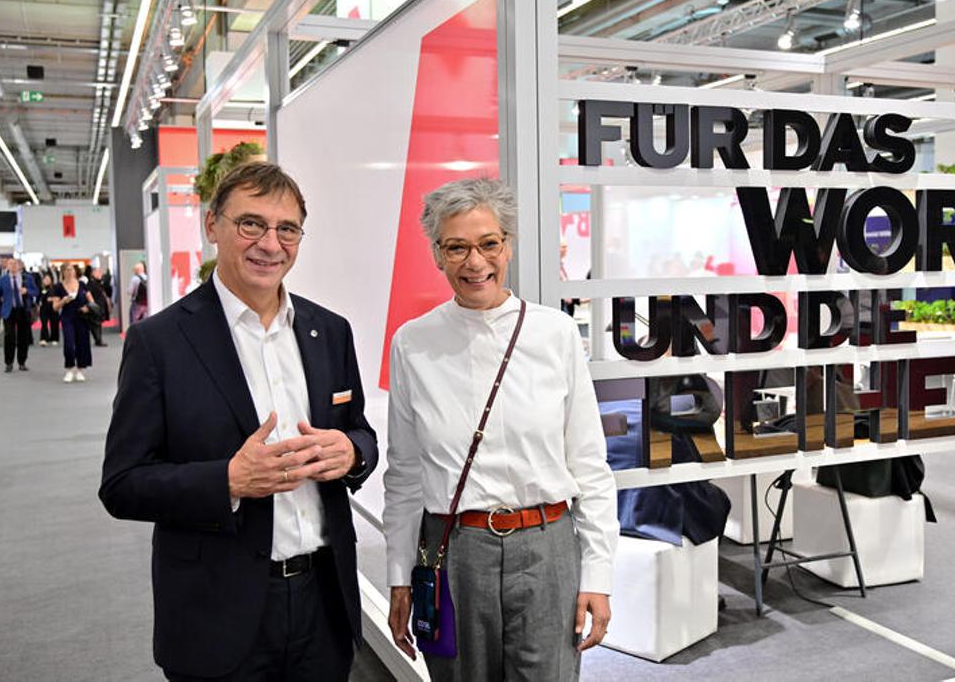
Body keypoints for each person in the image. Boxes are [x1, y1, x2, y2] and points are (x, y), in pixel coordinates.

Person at [100, 162, 378, 681]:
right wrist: (226, 481)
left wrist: (352, 452)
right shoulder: (160, 343)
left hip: (323, 605)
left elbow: (360, 432)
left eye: (286, 229)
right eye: (251, 224)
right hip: (217, 612)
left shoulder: (329, 331)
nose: (270, 244)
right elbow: (121, 484)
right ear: (213, 226)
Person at [383, 178, 619, 681]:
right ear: (437, 255)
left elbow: (589, 464)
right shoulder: (413, 344)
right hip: (454, 551)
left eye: (489, 243)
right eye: (457, 247)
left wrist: (598, 574)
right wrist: (399, 576)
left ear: (508, 246)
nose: (475, 262)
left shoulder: (553, 333)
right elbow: (403, 474)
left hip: (548, 544)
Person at [0, 257, 37, 373]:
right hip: (9, 311)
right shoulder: (3, 279)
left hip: (23, 310)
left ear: (19, 265)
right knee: (9, 337)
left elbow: (36, 291)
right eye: (10, 264)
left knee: (23, 338)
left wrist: (27, 291)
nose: (13, 266)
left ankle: (22, 362)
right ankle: (9, 363)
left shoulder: (28, 278)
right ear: (7, 266)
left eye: (15, 264)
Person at [52, 263, 95, 382]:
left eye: (71, 269)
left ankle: (80, 369)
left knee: (82, 343)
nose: (70, 272)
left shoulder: (82, 284)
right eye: (67, 270)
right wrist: (64, 301)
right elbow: (55, 307)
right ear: (63, 272)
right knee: (69, 344)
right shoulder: (58, 287)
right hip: (67, 318)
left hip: (81, 317)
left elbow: (91, 301)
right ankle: (70, 369)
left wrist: (88, 307)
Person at [86, 266, 109, 347]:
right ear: (93, 273)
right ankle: (98, 340)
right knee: (95, 323)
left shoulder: (99, 282)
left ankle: (98, 339)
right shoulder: (91, 283)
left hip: (100, 306)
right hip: (95, 306)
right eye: (98, 272)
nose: (101, 274)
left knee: (98, 323)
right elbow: (88, 295)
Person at [38, 272, 60, 346]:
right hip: (43, 308)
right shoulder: (41, 288)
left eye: (48, 279)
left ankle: (54, 338)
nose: (46, 280)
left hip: (53, 308)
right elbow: (38, 298)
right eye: (45, 279)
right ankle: (44, 339)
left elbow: (59, 296)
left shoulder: (55, 287)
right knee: (44, 324)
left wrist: (53, 299)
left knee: (54, 323)